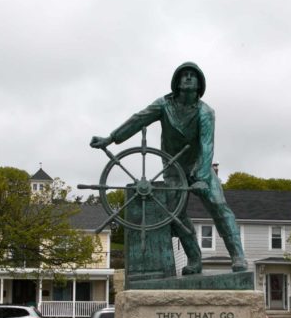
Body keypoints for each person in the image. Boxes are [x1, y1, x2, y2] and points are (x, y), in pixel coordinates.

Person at [91, 62, 247, 275]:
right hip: (173, 169)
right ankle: (194, 260)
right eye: (185, 75)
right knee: (175, 215)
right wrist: (110, 138)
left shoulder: (205, 112)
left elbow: (207, 145)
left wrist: (201, 177)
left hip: (199, 166)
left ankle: (238, 256)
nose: (189, 78)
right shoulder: (164, 105)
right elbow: (138, 119)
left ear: (200, 84)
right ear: (177, 82)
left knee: (219, 207)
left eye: (193, 75)